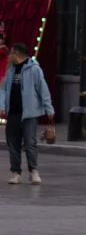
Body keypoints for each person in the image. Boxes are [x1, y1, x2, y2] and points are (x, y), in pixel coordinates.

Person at [0, 42, 55, 185]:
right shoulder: (11, 70)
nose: (9, 55)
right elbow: (3, 89)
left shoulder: (34, 69)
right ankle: (15, 172)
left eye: (11, 53)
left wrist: (49, 109)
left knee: (30, 143)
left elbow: (43, 89)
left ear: (17, 54)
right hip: (12, 113)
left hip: (29, 114)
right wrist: (2, 105)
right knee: (13, 144)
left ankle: (33, 171)